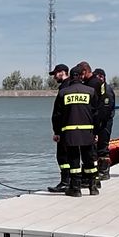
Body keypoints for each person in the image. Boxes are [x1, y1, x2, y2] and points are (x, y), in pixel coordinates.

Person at [51, 65, 99, 197]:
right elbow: (96, 114)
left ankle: (76, 188)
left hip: (70, 133)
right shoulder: (90, 91)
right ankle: (93, 187)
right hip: (88, 132)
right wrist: (96, 132)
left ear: (71, 77)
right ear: (81, 77)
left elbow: (57, 115)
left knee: (74, 160)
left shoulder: (63, 93)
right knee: (89, 160)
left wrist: (57, 132)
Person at [46, 63, 73, 193]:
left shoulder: (65, 88)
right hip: (68, 128)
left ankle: (65, 182)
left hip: (64, 129)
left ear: (62, 72)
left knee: (63, 157)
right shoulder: (68, 86)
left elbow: (60, 112)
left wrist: (57, 131)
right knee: (68, 156)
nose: (54, 77)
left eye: (55, 74)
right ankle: (70, 181)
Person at [92, 68, 116, 181]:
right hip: (96, 122)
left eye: (97, 78)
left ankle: (104, 171)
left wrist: (98, 125)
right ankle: (96, 169)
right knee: (94, 147)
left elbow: (106, 110)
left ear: (102, 77)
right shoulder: (96, 89)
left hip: (105, 123)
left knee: (103, 147)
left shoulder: (107, 91)